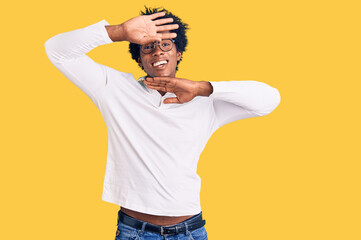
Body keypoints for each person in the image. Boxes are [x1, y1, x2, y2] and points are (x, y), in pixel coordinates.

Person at [45, 6, 281, 240]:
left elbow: (270, 100)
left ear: (178, 53)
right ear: (139, 58)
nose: (157, 51)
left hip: (191, 231)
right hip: (134, 232)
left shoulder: (205, 102)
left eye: (166, 44)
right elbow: (56, 51)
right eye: (148, 47)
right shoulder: (112, 88)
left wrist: (201, 88)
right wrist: (119, 31)